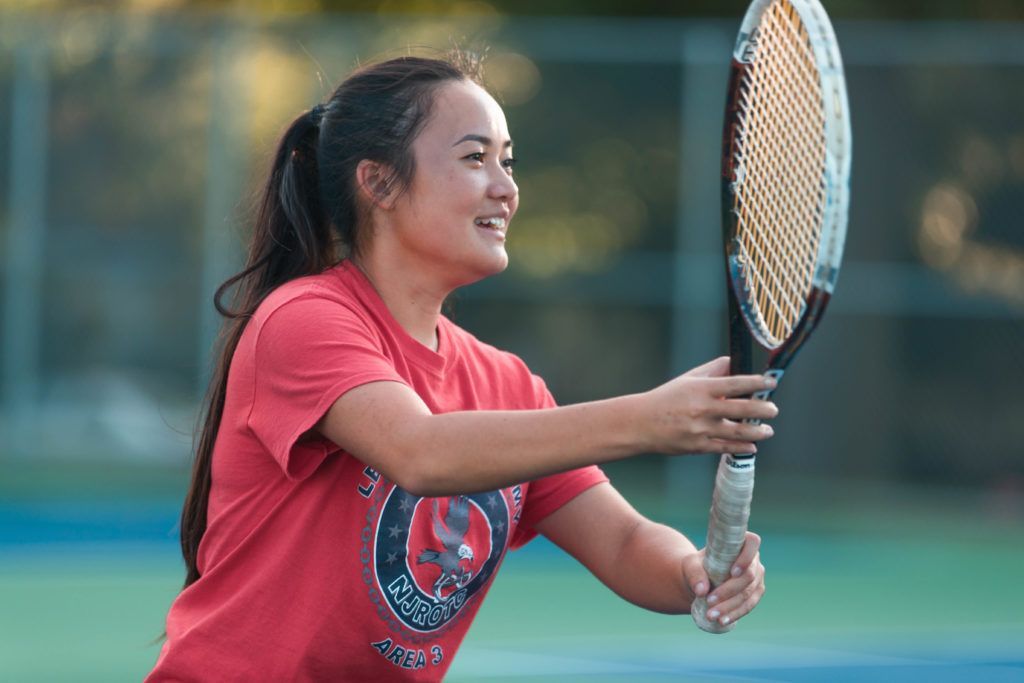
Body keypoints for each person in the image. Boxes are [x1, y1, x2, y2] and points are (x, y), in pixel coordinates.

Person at [147, 51, 777, 682]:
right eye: (475, 158)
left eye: (508, 161)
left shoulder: (506, 384)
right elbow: (422, 453)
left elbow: (623, 543)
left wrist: (696, 572)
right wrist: (648, 419)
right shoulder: (303, 319)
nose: (505, 186)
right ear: (380, 183)